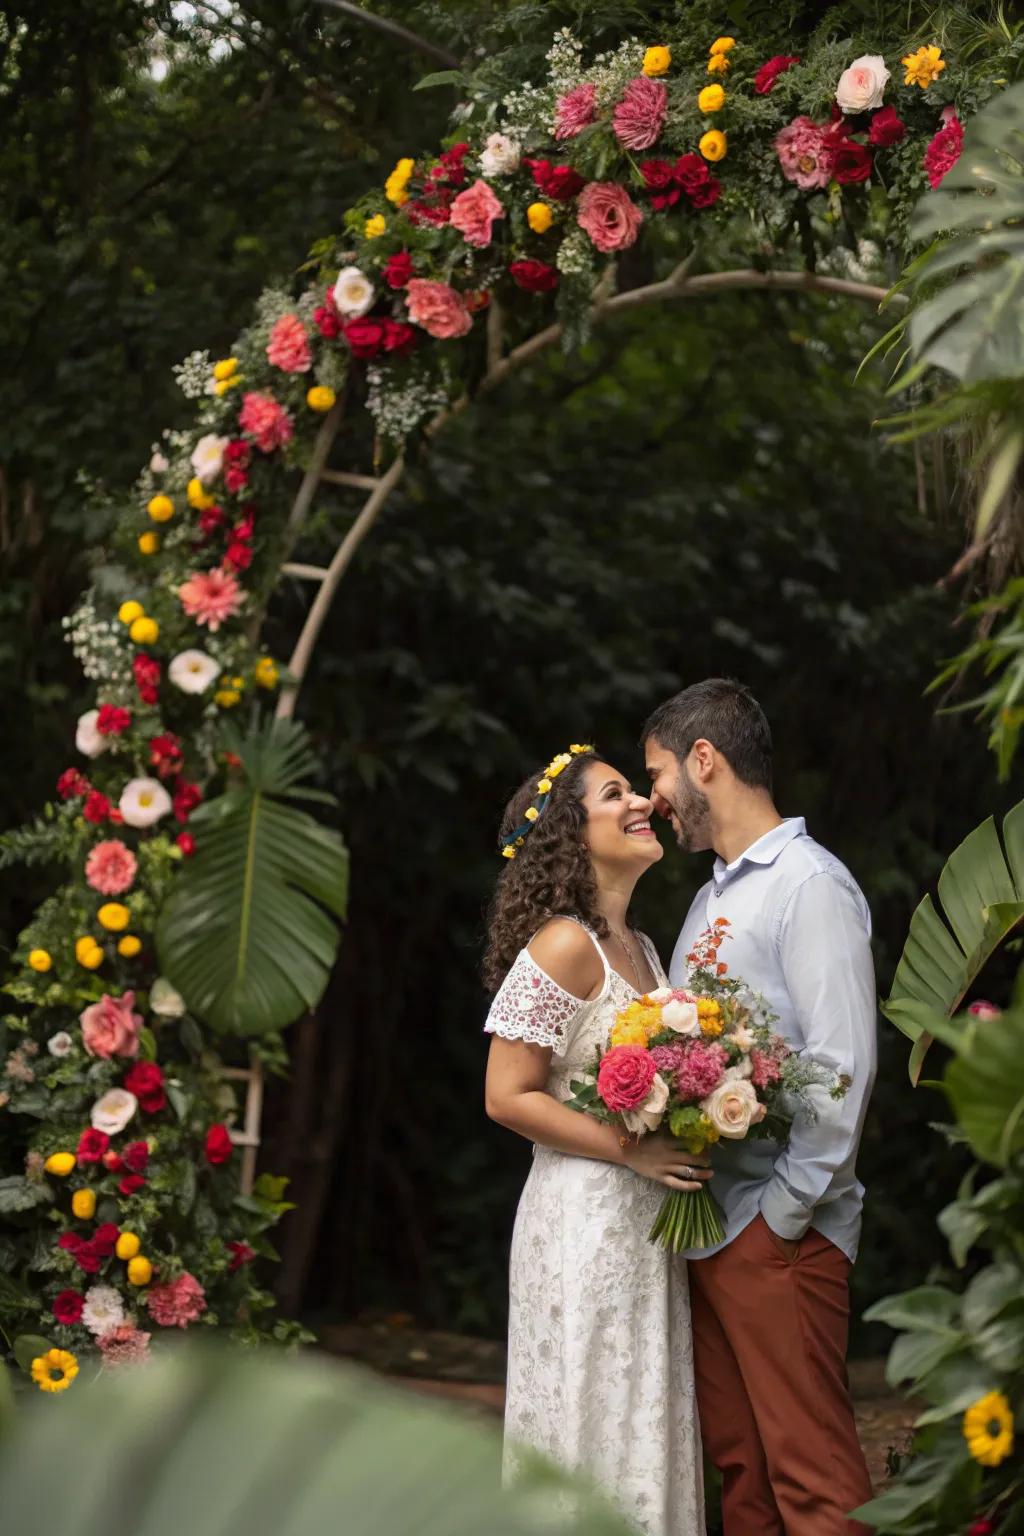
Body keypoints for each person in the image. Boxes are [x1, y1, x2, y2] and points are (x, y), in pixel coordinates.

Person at [642, 678, 877, 1536]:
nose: (654, 799)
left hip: (781, 1233)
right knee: (743, 1480)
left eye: (658, 773)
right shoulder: (709, 896)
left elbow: (840, 1067)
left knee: (813, 1480)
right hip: (711, 1225)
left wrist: (778, 1219)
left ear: (704, 760)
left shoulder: (809, 885)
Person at [483, 744, 706, 1536]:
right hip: (581, 1220)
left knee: (643, 1415)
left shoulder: (642, 949)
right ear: (574, 834)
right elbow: (504, 1095)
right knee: (589, 1416)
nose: (640, 802)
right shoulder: (563, 944)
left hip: (645, 1229)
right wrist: (627, 1150)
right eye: (616, 794)